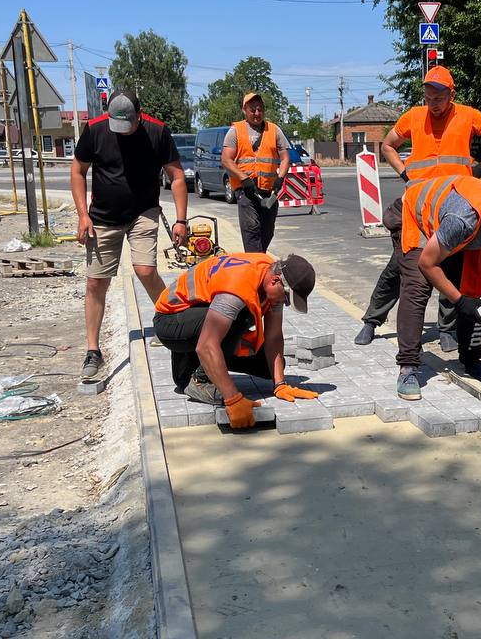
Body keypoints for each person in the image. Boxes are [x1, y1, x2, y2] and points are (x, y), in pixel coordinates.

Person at [356, 65, 481, 349]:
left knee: (452, 266)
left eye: (438, 99)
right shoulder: (414, 117)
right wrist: (406, 174)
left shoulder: (468, 116)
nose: (433, 104)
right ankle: (372, 320)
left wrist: (479, 170)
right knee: (399, 267)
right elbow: (388, 146)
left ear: (451, 95)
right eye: (428, 98)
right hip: (417, 210)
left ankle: (447, 330)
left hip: (453, 207)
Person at [72, 89, 187, 382]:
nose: (122, 133)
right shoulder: (96, 129)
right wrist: (83, 215)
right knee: (97, 281)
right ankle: (92, 350)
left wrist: (181, 220)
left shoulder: (157, 131)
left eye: (129, 125)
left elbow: (176, 176)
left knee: (145, 270)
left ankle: (171, 325)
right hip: (102, 217)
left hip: (143, 211)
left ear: (140, 114)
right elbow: (78, 171)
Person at [395, 173, 481, 400]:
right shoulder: (462, 220)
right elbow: (427, 263)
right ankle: (408, 367)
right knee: (417, 288)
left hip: (449, 231)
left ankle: (470, 359)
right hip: (417, 218)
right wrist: (460, 301)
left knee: (472, 286)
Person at [152, 252, 320, 428]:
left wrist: (280, 384)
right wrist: (232, 399)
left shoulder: (269, 275)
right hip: (171, 322)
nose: (285, 303)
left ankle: (191, 364)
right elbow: (206, 346)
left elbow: (274, 337)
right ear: (275, 281)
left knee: (268, 366)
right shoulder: (238, 287)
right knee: (240, 317)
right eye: (287, 298)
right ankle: (200, 381)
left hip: (199, 323)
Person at [222, 91, 292, 253]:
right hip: (246, 191)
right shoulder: (235, 131)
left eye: (260, 109)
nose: (257, 113)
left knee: (267, 231)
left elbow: (285, 158)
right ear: (244, 110)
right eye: (252, 109)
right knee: (252, 229)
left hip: (269, 191)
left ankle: (258, 261)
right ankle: (256, 268)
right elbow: (226, 160)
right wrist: (244, 179)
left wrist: (280, 178)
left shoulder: (274, 130)